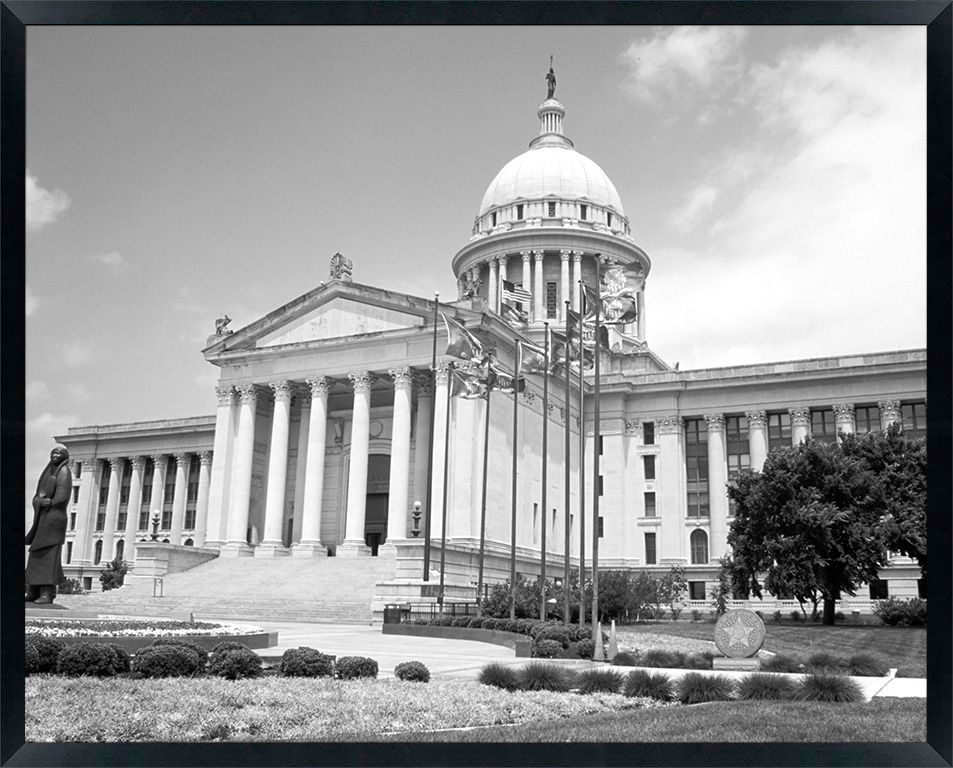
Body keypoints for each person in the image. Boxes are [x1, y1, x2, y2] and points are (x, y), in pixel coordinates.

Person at [25, 445, 72, 603]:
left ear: (65, 456)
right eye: (53, 452)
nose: (55, 454)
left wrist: (52, 502)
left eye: (59, 452)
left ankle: (47, 592)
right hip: (42, 519)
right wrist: (40, 501)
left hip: (54, 520)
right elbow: (36, 496)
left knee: (50, 555)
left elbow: (63, 496)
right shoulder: (47, 472)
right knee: (36, 554)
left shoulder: (64, 471)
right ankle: (33, 590)